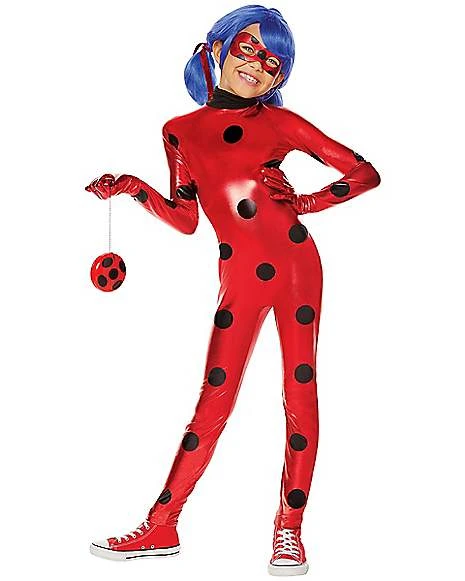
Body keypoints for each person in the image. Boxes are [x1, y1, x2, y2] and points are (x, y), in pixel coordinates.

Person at [86, 4, 381, 576]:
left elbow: (364, 173)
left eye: (272, 61)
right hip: (239, 275)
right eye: (248, 49)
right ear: (215, 50)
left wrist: (307, 202)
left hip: (296, 267)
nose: (258, 64)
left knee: (299, 393)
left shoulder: (281, 123)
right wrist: (130, 187)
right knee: (213, 399)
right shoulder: (179, 131)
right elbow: (185, 218)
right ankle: (162, 524)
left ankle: (289, 530)